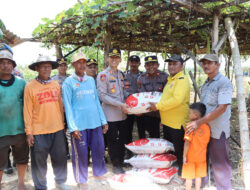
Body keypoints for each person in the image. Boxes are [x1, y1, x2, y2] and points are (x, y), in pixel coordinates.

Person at [186, 54, 233, 190]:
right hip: (204, 129)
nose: (206, 66)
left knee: (220, 161)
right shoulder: (206, 84)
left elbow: (222, 108)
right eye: (204, 63)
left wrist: (199, 122)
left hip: (217, 129)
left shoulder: (224, 83)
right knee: (202, 157)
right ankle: (202, 184)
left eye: (210, 63)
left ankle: (224, 187)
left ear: (218, 65)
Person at [63, 53, 108, 189]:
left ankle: (98, 173)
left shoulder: (90, 80)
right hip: (79, 126)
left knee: (99, 149)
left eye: (84, 62)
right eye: (79, 62)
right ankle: (81, 180)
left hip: (94, 123)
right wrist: (72, 127)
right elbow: (68, 106)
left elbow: (96, 102)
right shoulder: (68, 82)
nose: (82, 65)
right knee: (81, 155)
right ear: (73, 65)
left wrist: (103, 121)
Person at [23, 54, 69, 190]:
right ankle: (40, 186)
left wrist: (63, 124)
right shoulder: (30, 87)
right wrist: (29, 132)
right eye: (43, 66)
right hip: (38, 131)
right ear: (37, 68)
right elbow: (27, 111)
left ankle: (60, 181)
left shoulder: (55, 85)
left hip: (57, 128)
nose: (46, 69)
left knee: (60, 157)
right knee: (39, 162)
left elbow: (60, 107)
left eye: (48, 66)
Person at [148, 54, 190, 182]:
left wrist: (158, 106)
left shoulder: (182, 80)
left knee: (180, 150)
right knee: (171, 149)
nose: (171, 66)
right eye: (170, 64)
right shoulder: (171, 79)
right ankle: (173, 171)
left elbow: (177, 100)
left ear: (181, 66)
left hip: (177, 123)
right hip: (168, 122)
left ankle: (183, 174)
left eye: (174, 64)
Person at [0, 43, 29, 190]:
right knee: (0, 163)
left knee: (22, 158)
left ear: (13, 66)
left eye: (8, 63)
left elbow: (28, 107)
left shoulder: (21, 84)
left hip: (19, 130)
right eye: (2, 63)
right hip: (1, 132)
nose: (5, 66)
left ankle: (21, 182)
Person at [97, 48, 128, 174]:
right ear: (108, 59)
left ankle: (120, 160)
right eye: (112, 57)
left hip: (123, 114)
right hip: (110, 115)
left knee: (122, 139)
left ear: (120, 59)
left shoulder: (121, 74)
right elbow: (102, 96)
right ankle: (115, 164)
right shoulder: (103, 75)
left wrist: (131, 102)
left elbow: (123, 93)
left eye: (117, 57)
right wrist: (119, 104)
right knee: (112, 140)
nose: (114, 60)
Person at [137, 55, 168, 138]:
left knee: (167, 135)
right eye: (148, 65)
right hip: (149, 112)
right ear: (145, 66)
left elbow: (168, 95)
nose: (151, 67)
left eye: (153, 64)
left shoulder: (165, 77)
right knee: (153, 135)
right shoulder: (141, 78)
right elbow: (142, 96)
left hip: (163, 111)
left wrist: (159, 106)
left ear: (158, 65)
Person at [182, 102, 210, 190]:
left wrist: (184, 155)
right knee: (198, 176)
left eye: (190, 113)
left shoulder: (190, 126)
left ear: (196, 115)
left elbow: (187, 142)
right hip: (202, 157)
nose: (188, 115)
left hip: (190, 156)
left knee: (189, 177)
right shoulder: (207, 127)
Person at [123, 55, 143, 158]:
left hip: (141, 108)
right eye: (132, 62)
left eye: (136, 62)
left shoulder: (143, 75)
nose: (134, 64)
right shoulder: (124, 75)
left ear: (139, 63)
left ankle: (143, 152)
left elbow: (144, 91)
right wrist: (130, 100)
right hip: (129, 107)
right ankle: (128, 152)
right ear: (129, 63)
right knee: (127, 131)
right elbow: (122, 90)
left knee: (142, 130)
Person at [52, 58, 70, 160]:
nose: (62, 67)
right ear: (57, 67)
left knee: (72, 130)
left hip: (70, 110)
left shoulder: (71, 78)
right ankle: (65, 151)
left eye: (64, 65)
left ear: (67, 67)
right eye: (60, 65)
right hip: (59, 110)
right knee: (62, 131)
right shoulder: (53, 79)